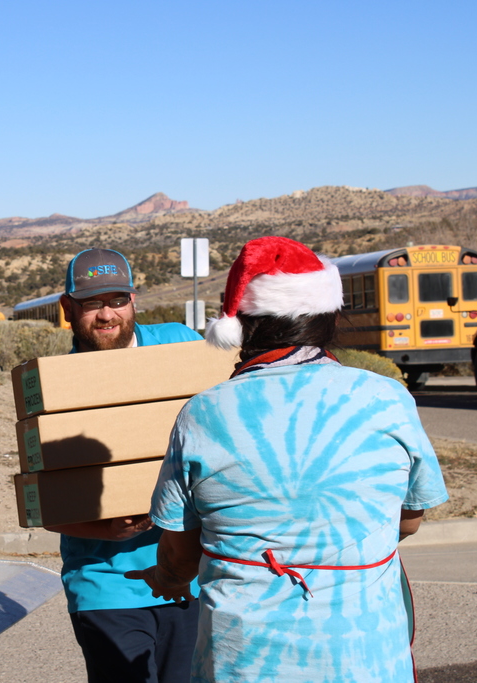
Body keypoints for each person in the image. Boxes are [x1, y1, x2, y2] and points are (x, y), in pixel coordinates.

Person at [126, 236, 449, 682]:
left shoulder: (205, 412)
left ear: (241, 325)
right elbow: (409, 519)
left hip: (245, 661)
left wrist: (167, 580)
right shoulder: (387, 398)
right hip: (366, 658)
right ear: (329, 316)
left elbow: (180, 553)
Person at [42, 248, 201, 683]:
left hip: (190, 578)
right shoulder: (56, 387)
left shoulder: (181, 346)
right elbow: (45, 507)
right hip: (104, 587)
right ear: (68, 308)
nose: (107, 314)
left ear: (134, 300)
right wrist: (106, 531)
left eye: (117, 299)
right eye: (93, 303)